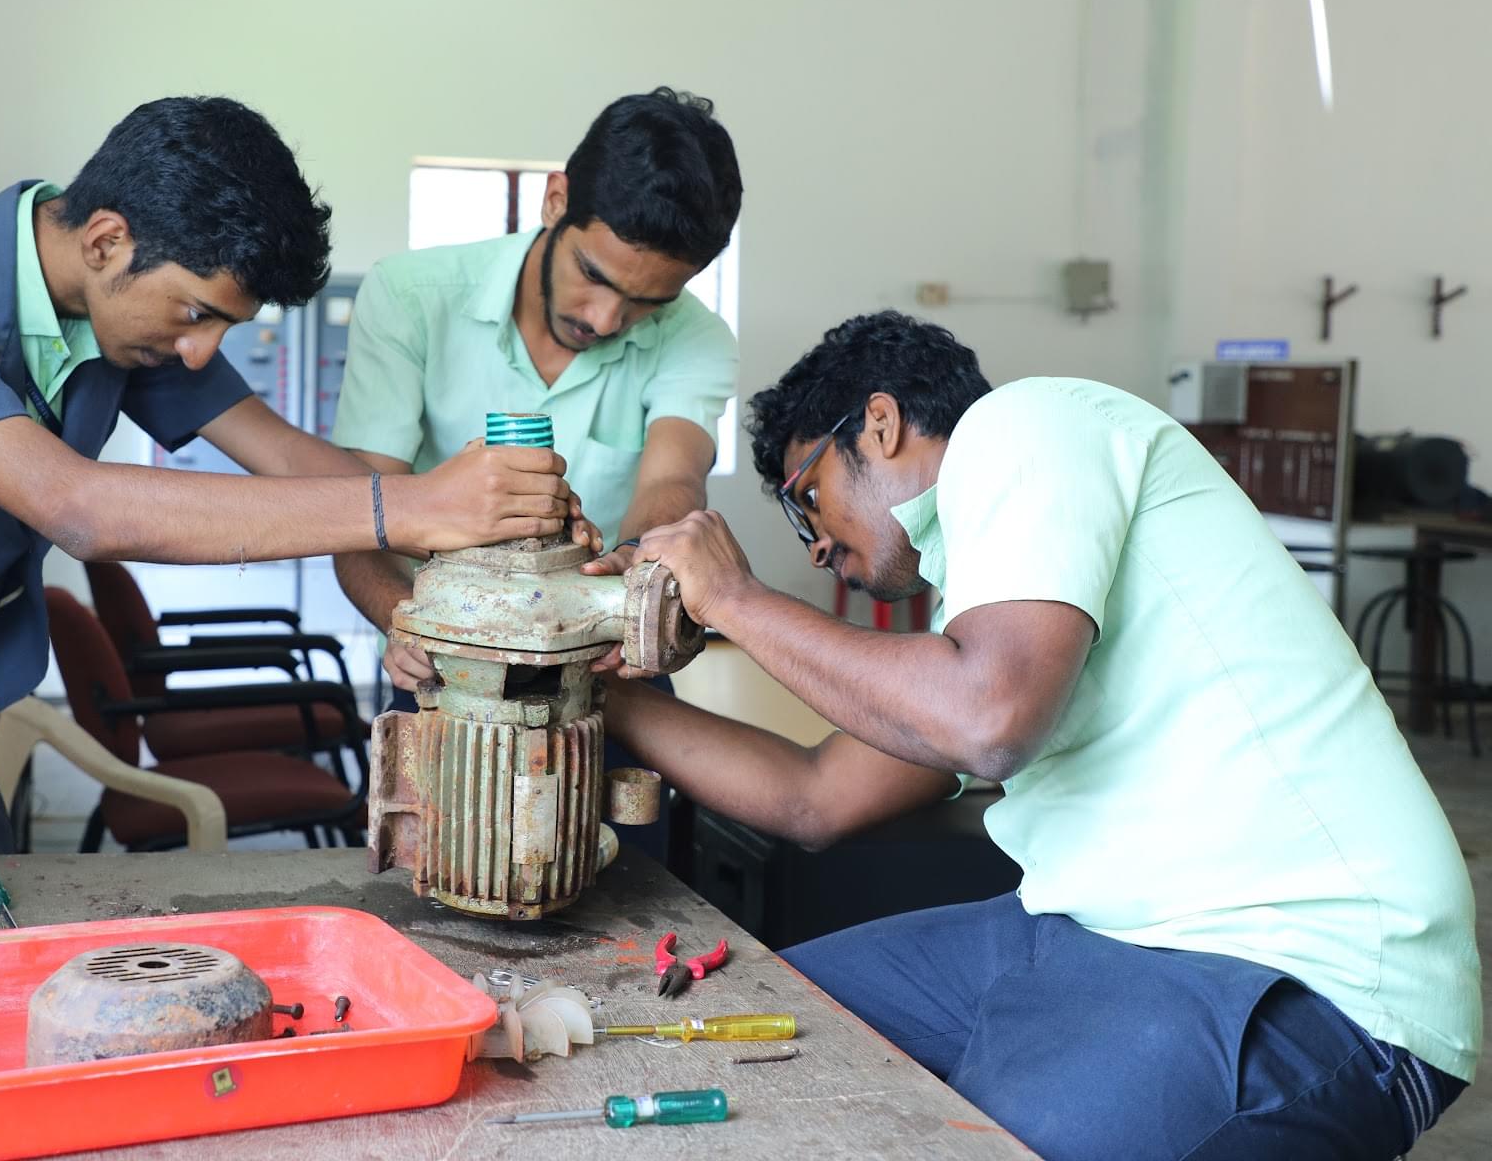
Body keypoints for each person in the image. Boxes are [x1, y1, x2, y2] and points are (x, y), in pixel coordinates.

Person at [603, 311, 1479, 1157]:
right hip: (1086, 930)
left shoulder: (1027, 423)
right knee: (729, 1023)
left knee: (998, 1140)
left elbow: (985, 722)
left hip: (1297, 962)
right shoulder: (1001, 613)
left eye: (808, 499)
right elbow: (813, 796)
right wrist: (602, 694)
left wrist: (734, 599)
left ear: (878, 424)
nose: (815, 547)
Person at [0, 96, 587, 865]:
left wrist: (505, 518)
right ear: (105, 239)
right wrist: (418, 505)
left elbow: (289, 456)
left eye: (225, 326)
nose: (200, 352)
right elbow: (79, 506)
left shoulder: (122, 319)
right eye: (196, 313)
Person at [330, 87, 743, 694]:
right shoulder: (409, 297)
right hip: (444, 656)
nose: (604, 320)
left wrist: (637, 564)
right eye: (593, 276)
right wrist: (408, 624)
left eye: (647, 303)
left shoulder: (698, 338)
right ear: (556, 200)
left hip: (606, 661)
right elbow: (360, 515)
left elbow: (671, 482)